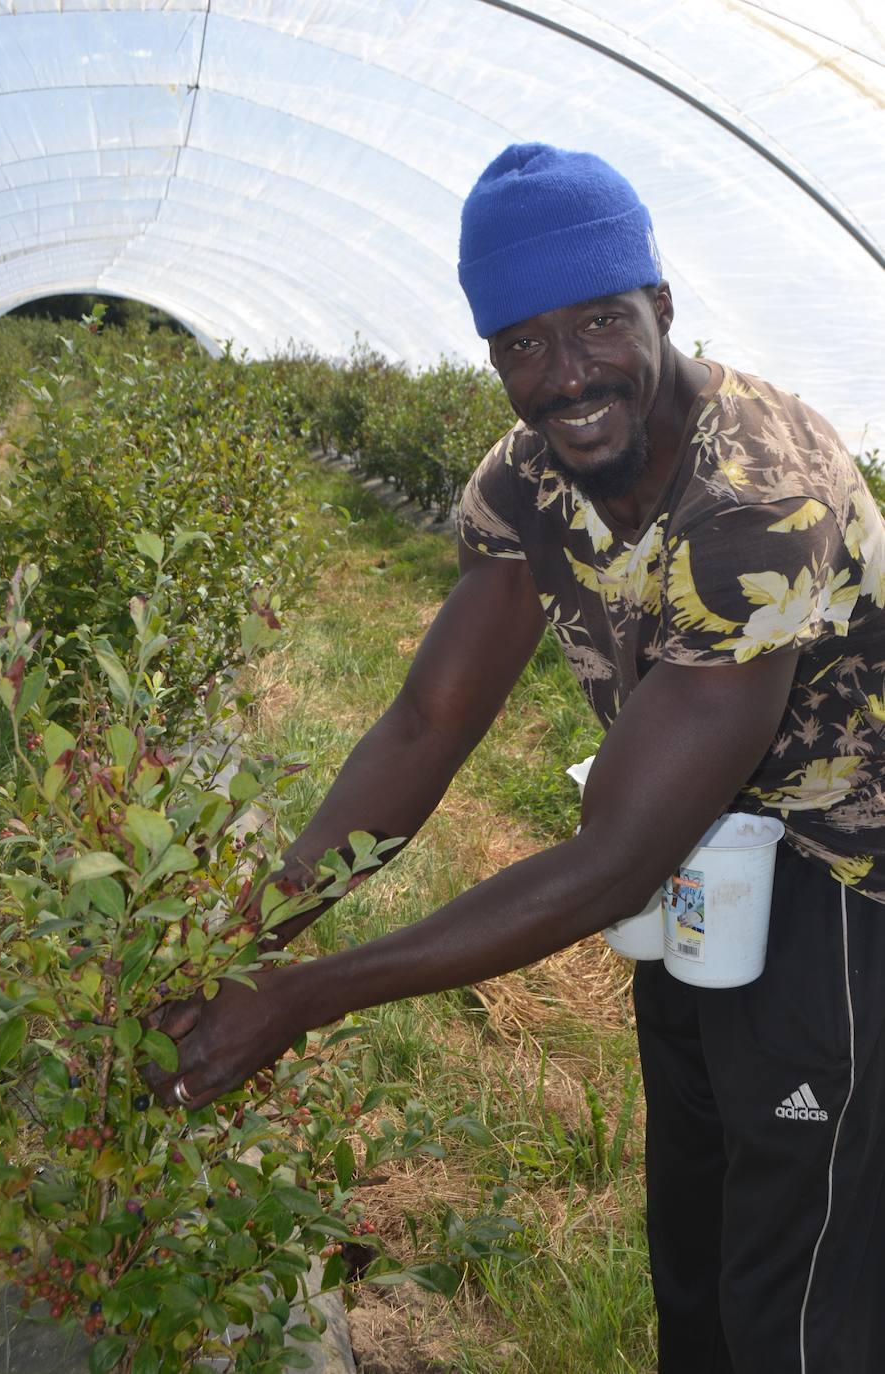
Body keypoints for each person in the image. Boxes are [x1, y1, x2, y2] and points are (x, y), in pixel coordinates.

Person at [145, 144, 885, 1373]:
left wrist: (303, 995)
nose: (564, 375)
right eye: (520, 344)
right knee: (695, 1227)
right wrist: (247, 936)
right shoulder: (531, 478)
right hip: (711, 865)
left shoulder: (760, 502)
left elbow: (610, 862)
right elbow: (427, 727)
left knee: (795, 1271)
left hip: (840, 885)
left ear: (659, 304)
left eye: (597, 323)